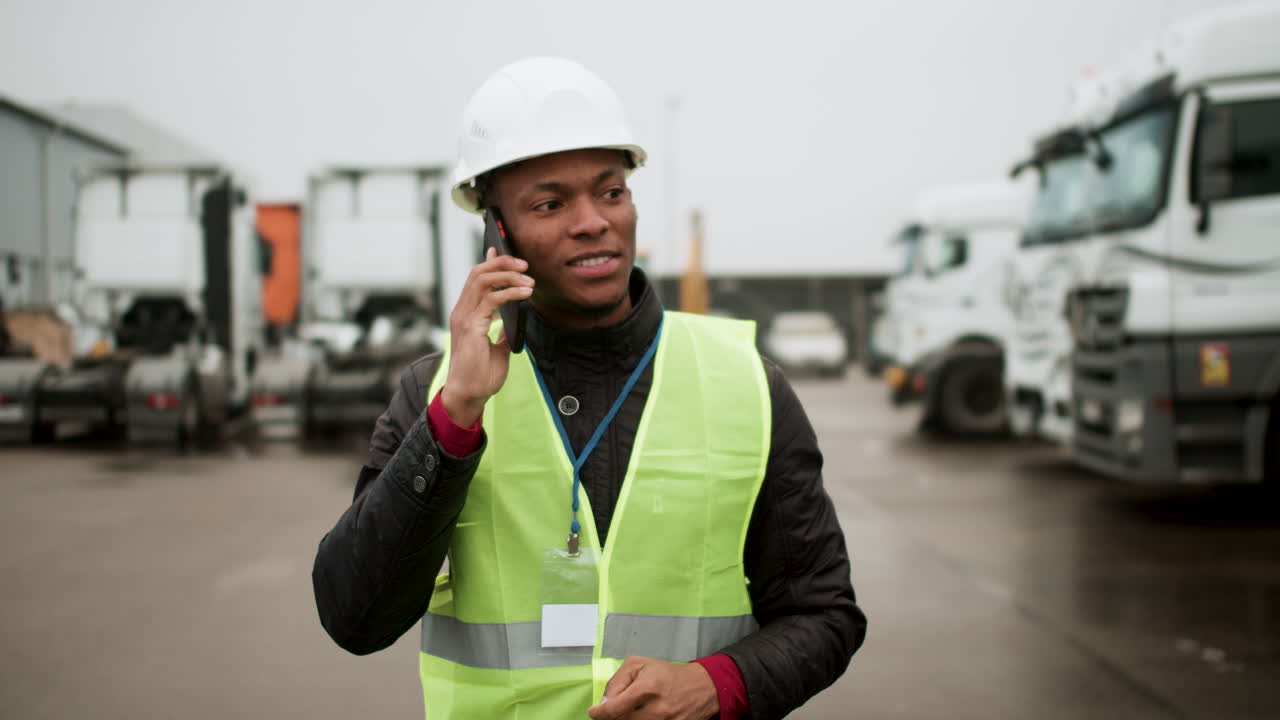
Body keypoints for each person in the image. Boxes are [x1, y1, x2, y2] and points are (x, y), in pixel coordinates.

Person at [312, 57, 866, 720]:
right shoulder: (435, 393)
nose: (593, 221)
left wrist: (717, 684)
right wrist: (453, 416)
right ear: (497, 230)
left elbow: (825, 613)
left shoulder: (746, 381)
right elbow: (355, 617)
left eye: (611, 192)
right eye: (550, 204)